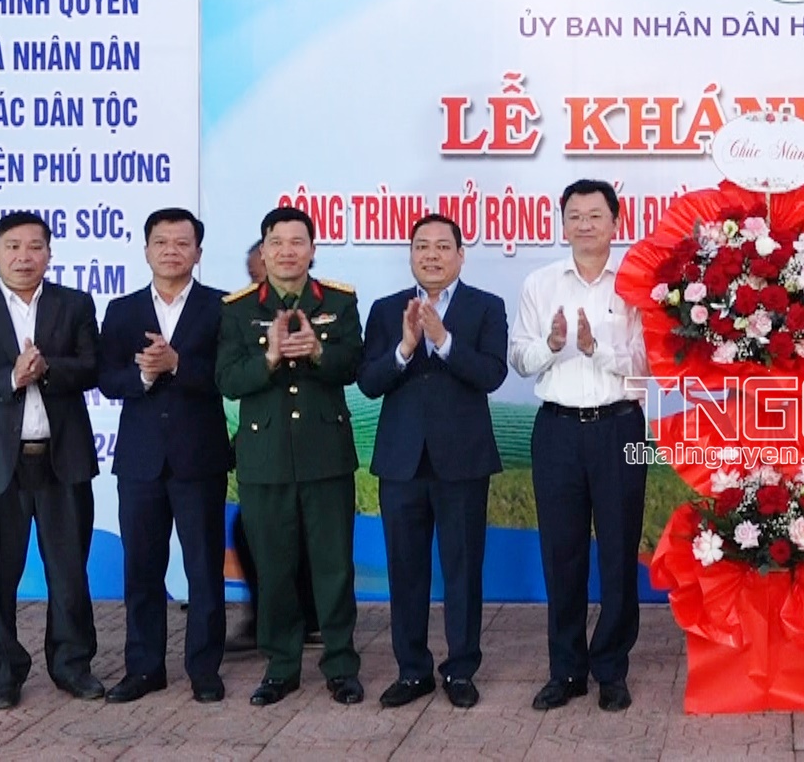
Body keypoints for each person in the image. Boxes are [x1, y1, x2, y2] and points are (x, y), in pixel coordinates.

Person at [0, 210, 103, 709]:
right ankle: (3, 672)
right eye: (13, 247)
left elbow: (93, 368)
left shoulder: (74, 305)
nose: (24, 257)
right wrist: (11, 377)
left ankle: (72, 665)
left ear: (49, 254)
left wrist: (46, 370)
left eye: (34, 247)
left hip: (60, 461)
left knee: (69, 571)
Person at [357, 213, 509, 710]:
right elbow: (369, 382)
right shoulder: (386, 310)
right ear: (411, 255)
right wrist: (405, 348)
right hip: (401, 462)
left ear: (461, 255)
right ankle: (412, 670)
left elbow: (492, 374)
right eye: (422, 246)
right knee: (405, 571)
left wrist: (443, 340)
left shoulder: (486, 307)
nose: (432, 255)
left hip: (462, 462)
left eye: (443, 246)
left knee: (462, 569)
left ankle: (461, 669)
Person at [507, 180, 648, 712]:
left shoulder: (636, 285)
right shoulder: (540, 284)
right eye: (574, 215)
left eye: (595, 215)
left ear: (616, 222)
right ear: (562, 223)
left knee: (618, 551)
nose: (584, 224)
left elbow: (647, 365)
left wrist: (596, 349)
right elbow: (519, 358)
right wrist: (551, 345)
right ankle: (566, 671)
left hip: (619, 427)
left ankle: (611, 668)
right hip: (558, 430)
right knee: (561, 553)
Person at [216, 206, 364, 706]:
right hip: (265, 458)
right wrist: (271, 358)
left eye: (297, 242)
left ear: (313, 249)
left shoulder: (338, 301)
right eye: (276, 243)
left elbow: (354, 365)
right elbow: (227, 379)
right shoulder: (237, 309)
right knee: (274, 568)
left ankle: (341, 665)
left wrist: (318, 353)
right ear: (263, 251)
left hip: (326, 454)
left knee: (333, 567)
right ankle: (281, 667)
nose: (286, 251)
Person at [97, 208, 232, 704]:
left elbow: (228, 376)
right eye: (161, 242)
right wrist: (144, 376)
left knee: (204, 569)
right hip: (140, 461)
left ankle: (204, 669)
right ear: (146, 250)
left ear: (198, 252)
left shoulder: (222, 307)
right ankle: (144, 667)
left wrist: (178, 364)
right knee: (142, 569)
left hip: (200, 459)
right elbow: (106, 378)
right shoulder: (122, 310)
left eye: (181, 243)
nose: (171, 251)